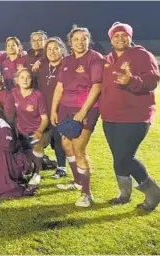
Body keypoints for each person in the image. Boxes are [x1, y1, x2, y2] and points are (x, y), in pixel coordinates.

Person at [100, 22, 160, 211]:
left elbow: (152, 81)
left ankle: (153, 191)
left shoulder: (142, 55)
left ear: (130, 37)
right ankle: (124, 194)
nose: (120, 38)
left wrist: (131, 80)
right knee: (118, 157)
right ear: (110, 39)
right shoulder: (107, 59)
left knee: (125, 157)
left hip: (135, 116)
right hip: (110, 117)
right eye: (116, 35)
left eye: (124, 35)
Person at [51, 25, 105, 207]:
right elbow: (59, 86)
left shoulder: (95, 58)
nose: (80, 42)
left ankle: (86, 193)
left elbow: (97, 87)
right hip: (65, 108)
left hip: (86, 109)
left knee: (79, 149)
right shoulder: (66, 60)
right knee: (66, 144)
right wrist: (53, 109)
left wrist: (82, 112)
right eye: (76, 39)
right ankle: (77, 181)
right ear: (70, 42)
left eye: (84, 38)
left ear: (89, 40)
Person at [34, 37, 69, 179]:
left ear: (61, 49)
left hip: (60, 109)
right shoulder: (42, 64)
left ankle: (62, 167)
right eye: (49, 49)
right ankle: (38, 165)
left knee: (60, 139)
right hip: (43, 110)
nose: (52, 51)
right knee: (40, 138)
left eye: (55, 48)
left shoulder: (67, 65)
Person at [11, 69, 49, 187]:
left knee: (37, 144)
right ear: (17, 80)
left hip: (35, 131)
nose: (25, 80)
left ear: (31, 79)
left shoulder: (38, 95)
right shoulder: (13, 93)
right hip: (20, 132)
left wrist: (39, 130)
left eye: (28, 77)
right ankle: (40, 162)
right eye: (22, 77)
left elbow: (45, 118)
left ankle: (37, 174)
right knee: (26, 168)